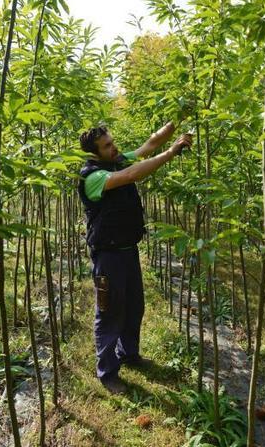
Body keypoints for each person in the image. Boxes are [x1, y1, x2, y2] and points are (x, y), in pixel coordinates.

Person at [77, 122, 192, 394]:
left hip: (128, 250)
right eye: (107, 145)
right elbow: (132, 175)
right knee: (109, 313)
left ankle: (129, 354)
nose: (114, 147)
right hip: (108, 255)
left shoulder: (115, 160)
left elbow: (148, 146)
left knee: (133, 307)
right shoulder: (92, 176)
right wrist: (170, 153)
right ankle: (107, 372)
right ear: (95, 154)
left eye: (112, 141)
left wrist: (175, 123)